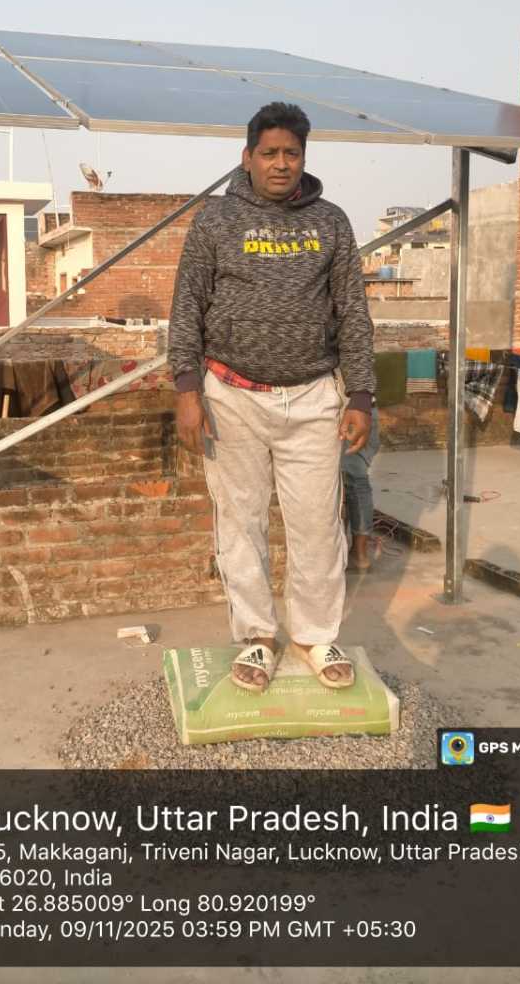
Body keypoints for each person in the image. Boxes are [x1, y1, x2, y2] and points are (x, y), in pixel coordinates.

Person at [168, 102, 375, 693]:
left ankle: (315, 635)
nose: (281, 163)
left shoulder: (330, 222)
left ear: (304, 158)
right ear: (247, 157)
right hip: (231, 395)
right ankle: (257, 637)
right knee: (240, 523)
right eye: (269, 153)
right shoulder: (215, 219)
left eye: (292, 153)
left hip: (313, 398)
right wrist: (187, 388)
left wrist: (361, 396)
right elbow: (187, 306)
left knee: (318, 526)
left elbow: (352, 313)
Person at [341, 405, 380, 570]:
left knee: (351, 479)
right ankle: (359, 552)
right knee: (355, 477)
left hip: (348, 409)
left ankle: (356, 552)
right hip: (364, 407)